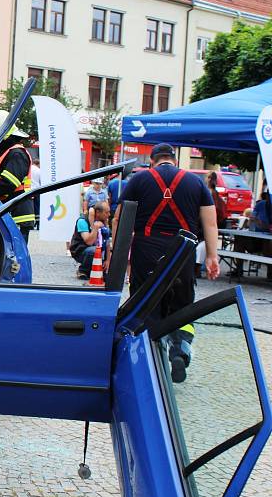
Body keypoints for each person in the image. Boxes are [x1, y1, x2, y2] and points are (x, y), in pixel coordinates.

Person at [112, 143, 219, 384]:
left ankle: (150, 365)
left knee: (145, 305)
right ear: (174, 159)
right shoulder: (195, 182)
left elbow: (120, 219)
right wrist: (212, 256)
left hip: (146, 250)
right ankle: (179, 350)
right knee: (182, 306)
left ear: (153, 161)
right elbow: (211, 224)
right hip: (183, 251)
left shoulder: (139, 180)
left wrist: (117, 256)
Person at [0, 134, 34, 242]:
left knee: (15, 253)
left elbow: (8, 184)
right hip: (7, 209)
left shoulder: (17, 154)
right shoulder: (2, 154)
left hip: (18, 212)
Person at [70, 202, 110, 279]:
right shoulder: (82, 221)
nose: (109, 215)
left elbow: (107, 242)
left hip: (97, 250)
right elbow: (88, 241)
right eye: (106, 212)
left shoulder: (104, 221)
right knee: (95, 250)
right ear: (98, 212)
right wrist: (95, 228)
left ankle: (94, 269)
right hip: (81, 250)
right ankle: (82, 270)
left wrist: (107, 260)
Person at [31, 157, 41, 230]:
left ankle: (31, 222)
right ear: (38, 164)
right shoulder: (39, 170)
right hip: (37, 190)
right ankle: (38, 224)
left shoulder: (29, 168)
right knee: (37, 208)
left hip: (28, 191)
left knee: (31, 208)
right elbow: (41, 181)